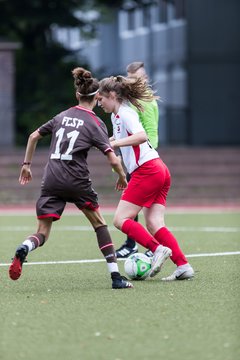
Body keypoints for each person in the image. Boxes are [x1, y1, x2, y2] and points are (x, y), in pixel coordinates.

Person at [8, 67, 133, 290]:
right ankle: (116, 277)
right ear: (97, 97)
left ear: (77, 95)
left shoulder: (61, 116)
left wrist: (26, 166)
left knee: (42, 232)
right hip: (77, 181)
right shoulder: (96, 123)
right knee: (99, 224)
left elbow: (33, 136)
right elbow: (114, 160)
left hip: (52, 179)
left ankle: (26, 247)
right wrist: (122, 176)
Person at [98, 75, 194, 280]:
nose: (99, 103)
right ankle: (183, 266)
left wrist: (113, 145)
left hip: (148, 170)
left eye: (101, 99)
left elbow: (141, 136)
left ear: (113, 95)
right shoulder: (117, 116)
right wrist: (108, 142)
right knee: (154, 223)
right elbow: (123, 138)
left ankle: (157, 249)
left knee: (120, 219)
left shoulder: (125, 112)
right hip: (158, 169)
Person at [115, 61, 159, 259]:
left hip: (145, 161)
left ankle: (138, 245)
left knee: (135, 207)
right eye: (131, 79)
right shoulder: (132, 102)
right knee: (138, 207)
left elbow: (150, 133)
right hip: (138, 159)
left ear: (145, 79)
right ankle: (141, 244)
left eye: (138, 78)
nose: (134, 82)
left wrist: (145, 157)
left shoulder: (146, 101)